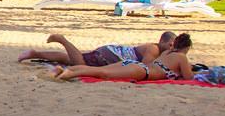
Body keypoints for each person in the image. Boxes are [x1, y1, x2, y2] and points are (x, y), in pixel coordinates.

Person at [55, 33, 193, 81]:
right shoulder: (182, 57)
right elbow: (189, 78)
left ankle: (69, 71)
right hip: (141, 72)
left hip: (135, 65)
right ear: (186, 48)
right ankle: (68, 74)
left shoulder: (166, 53)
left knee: (103, 70)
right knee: (102, 73)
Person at [18, 31, 176, 66]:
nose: (171, 48)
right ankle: (63, 40)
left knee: (70, 59)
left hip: (111, 52)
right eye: (169, 45)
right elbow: (147, 66)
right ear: (162, 41)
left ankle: (35, 53)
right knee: (80, 64)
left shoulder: (155, 49)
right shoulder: (154, 50)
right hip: (111, 55)